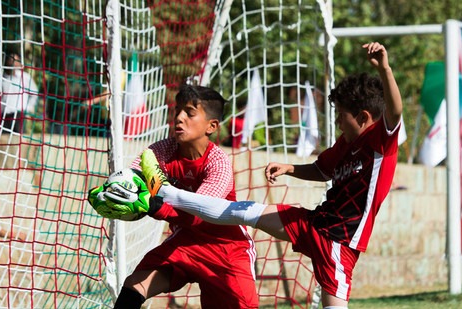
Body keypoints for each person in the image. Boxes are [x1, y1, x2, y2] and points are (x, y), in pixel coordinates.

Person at [133, 42, 402, 308]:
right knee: (242, 211)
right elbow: (322, 170)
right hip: (313, 222)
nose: (338, 122)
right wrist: (290, 169)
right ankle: (167, 192)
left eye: (341, 115)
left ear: (364, 117)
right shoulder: (345, 144)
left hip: (340, 243)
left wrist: (385, 69)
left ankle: (166, 193)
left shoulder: (380, 141)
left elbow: (396, 111)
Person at [113, 84, 258, 308]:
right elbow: (132, 179)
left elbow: (200, 214)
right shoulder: (161, 151)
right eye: (177, 110)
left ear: (212, 126)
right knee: (135, 284)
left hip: (227, 248)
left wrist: (156, 207)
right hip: (186, 241)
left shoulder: (218, 163)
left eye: (189, 113)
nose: (179, 118)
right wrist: (116, 191)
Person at [0, 53, 39, 133]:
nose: (13, 63)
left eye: (15, 61)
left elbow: (34, 93)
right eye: (11, 60)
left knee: (18, 139)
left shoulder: (25, 77)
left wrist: (28, 108)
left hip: (19, 115)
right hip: (5, 114)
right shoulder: (2, 78)